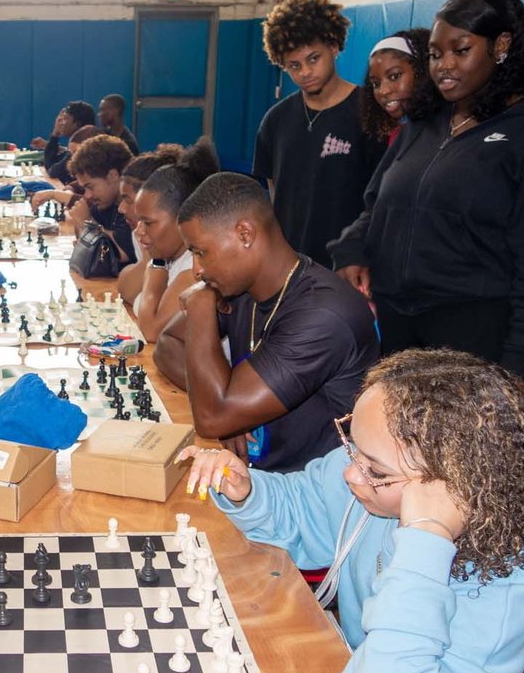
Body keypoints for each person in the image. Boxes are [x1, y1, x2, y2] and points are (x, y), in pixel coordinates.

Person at [180, 349, 524, 673]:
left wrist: (424, 540)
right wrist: (248, 491)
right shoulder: (375, 482)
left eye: (376, 470)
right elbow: (301, 508)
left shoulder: (503, 589)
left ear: (454, 487)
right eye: (353, 447)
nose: (351, 473)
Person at [329, 0, 524, 383]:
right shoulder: (425, 124)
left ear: (501, 45)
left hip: (470, 334)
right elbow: (379, 206)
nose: (443, 66)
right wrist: (352, 249)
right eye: (434, 53)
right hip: (397, 324)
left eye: (460, 50)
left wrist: (516, 368)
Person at [154, 172, 378, 472]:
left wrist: (199, 307)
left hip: (318, 496)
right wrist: (230, 412)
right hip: (260, 478)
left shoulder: (323, 315)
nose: (196, 270)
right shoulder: (239, 286)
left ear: (245, 234)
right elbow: (168, 345)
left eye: (200, 252)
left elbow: (210, 419)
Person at [253, 0, 387, 269]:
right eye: (294, 65)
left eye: (314, 58)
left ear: (334, 46)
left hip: (347, 267)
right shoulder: (275, 121)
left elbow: (383, 200)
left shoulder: (371, 113)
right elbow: (274, 196)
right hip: (289, 267)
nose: (305, 72)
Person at [132, 138, 219, 341]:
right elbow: (125, 290)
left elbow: (151, 331)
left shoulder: (196, 267)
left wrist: (155, 268)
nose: (139, 230)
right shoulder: (169, 253)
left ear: (183, 218)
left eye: (148, 222)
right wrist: (150, 258)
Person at [113, 145, 184, 305]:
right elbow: (126, 290)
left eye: (128, 200)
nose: (121, 208)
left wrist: (141, 301)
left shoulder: (190, 259)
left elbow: (155, 320)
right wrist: (148, 258)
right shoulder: (141, 232)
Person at [67, 134, 137, 267]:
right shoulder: (106, 203)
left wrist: (85, 224)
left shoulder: (134, 207)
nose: (87, 195)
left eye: (90, 187)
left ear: (112, 176)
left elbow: (119, 253)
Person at [358, 29, 435, 145]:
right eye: (376, 84)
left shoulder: (450, 129)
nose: (384, 91)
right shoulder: (398, 136)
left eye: (394, 76)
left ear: (421, 70)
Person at [31, 100, 96, 183]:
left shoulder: (83, 147)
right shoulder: (80, 142)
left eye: (65, 119)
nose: (60, 123)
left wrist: (55, 134)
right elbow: (53, 163)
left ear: (77, 124)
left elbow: (53, 171)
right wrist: (55, 134)